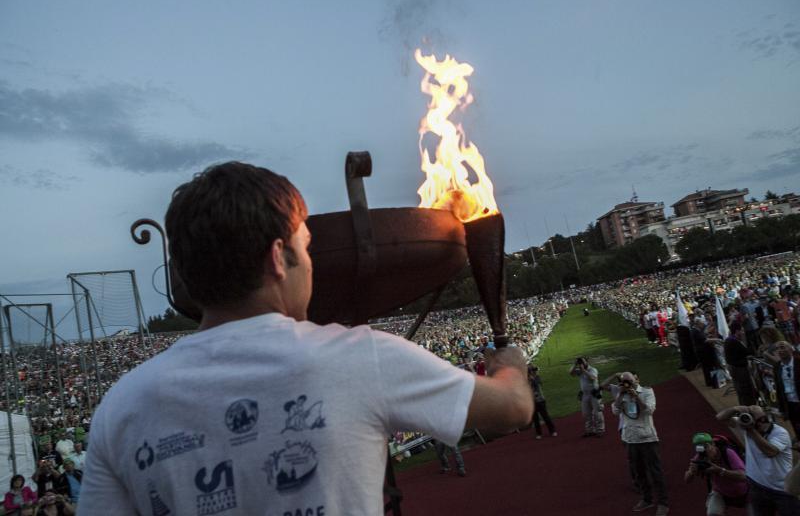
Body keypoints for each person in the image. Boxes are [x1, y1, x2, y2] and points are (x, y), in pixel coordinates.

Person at [79, 162, 533, 515]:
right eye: (305, 245)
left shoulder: (121, 407)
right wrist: (508, 361)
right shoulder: (360, 359)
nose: (311, 264)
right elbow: (513, 408)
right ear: (279, 258)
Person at [717, 405, 800, 515]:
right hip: (757, 486)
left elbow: (770, 452)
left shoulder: (780, 433)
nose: (762, 423)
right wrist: (735, 409)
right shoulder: (744, 426)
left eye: (763, 419)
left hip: (782, 490)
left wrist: (751, 430)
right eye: (758, 421)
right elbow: (720, 417)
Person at [612, 371, 669, 515]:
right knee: (638, 472)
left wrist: (635, 396)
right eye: (623, 382)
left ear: (635, 380)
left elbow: (649, 410)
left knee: (655, 471)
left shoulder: (647, 391)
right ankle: (647, 499)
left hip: (647, 438)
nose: (626, 384)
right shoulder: (621, 394)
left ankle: (663, 502)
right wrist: (621, 394)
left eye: (629, 381)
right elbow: (615, 411)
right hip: (630, 439)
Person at [684, 433, 747, 516]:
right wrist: (692, 472)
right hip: (721, 493)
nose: (705, 451)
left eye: (706, 446)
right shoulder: (700, 457)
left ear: (713, 444)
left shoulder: (727, 452)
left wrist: (720, 471)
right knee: (713, 513)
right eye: (700, 448)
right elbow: (686, 480)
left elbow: (744, 476)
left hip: (745, 493)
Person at [570, 356, 605, 437]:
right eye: (580, 362)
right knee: (586, 414)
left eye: (582, 362)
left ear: (587, 362)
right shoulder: (579, 371)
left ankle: (600, 430)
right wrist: (575, 365)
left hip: (594, 394)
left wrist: (584, 371)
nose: (581, 364)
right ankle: (589, 430)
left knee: (597, 413)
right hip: (585, 394)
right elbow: (571, 373)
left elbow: (593, 378)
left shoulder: (593, 369)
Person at [773, 341, 800, 437]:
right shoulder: (777, 367)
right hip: (790, 404)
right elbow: (778, 388)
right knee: (797, 427)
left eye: (782, 347)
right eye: (777, 349)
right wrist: (782, 409)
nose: (780, 350)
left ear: (791, 349)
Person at [528, 365, 556, 439]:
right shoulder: (526, 380)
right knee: (535, 419)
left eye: (532, 370)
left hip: (540, 400)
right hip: (532, 402)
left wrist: (532, 379)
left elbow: (538, 384)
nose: (533, 372)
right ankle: (538, 433)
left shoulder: (537, 377)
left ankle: (552, 430)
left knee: (545, 416)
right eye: (531, 371)